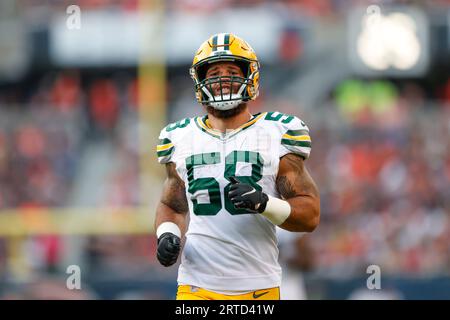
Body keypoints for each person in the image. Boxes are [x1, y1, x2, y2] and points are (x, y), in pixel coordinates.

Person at [154, 33, 320, 300]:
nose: (222, 79)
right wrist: (167, 233)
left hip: (258, 287)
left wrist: (264, 203)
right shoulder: (179, 137)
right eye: (214, 72)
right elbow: (172, 205)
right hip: (196, 285)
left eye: (232, 71)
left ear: (250, 77)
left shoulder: (278, 131)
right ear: (200, 80)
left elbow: (310, 215)